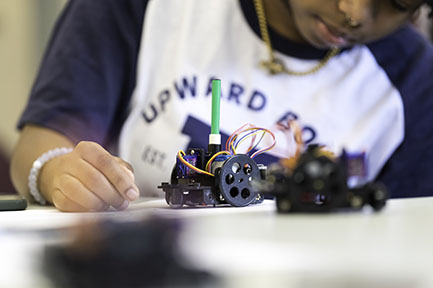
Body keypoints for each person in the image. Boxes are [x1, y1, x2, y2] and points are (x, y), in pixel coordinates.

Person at [10, 0, 433, 212]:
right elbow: (43, 142)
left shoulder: (413, 76)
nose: (353, 12)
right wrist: (55, 171)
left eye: (394, 2)